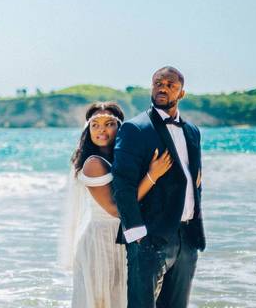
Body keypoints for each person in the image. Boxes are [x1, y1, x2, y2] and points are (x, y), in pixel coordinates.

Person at [60, 101, 172, 308]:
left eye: (109, 123)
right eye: (95, 125)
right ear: (88, 131)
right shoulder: (93, 164)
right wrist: (151, 175)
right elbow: (115, 209)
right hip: (102, 242)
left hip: (126, 238)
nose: (101, 130)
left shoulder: (123, 160)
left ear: (120, 127)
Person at [112, 66, 206, 308]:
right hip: (149, 236)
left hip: (187, 237)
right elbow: (122, 185)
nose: (163, 87)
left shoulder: (192, 131)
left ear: (181, 93)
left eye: (170, 84)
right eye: (158, 83)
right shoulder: (135, 129)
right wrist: (136, 235)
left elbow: (194, 179)